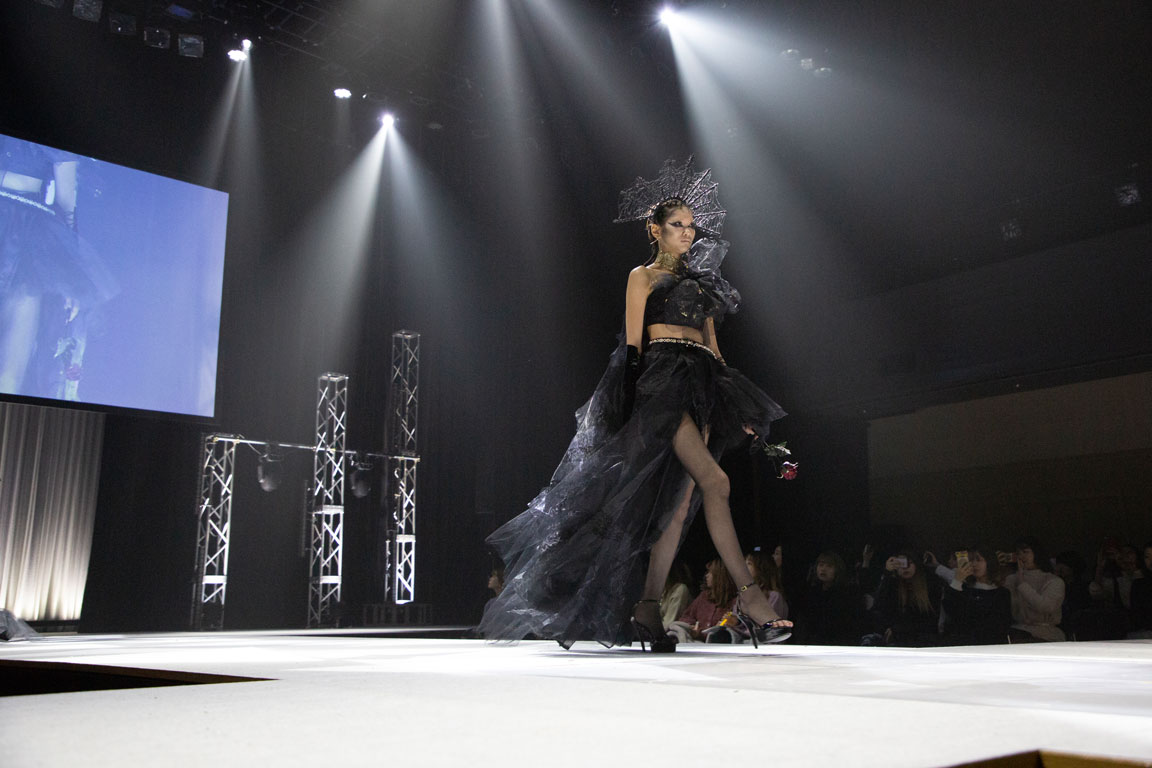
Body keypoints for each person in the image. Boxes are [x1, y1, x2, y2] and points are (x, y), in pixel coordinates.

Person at [479, 158, 791, 651]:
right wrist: (626, 405)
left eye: (691, 225)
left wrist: (742, 411)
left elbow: (716, 352)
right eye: (677, 224)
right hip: (661, 384)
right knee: (717, 481)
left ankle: (647, 609)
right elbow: (631, 346)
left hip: (703, 384)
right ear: (655, 229)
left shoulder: (704, 284)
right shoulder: (642, 276)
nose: (687, 233)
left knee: (680, 504)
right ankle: (751, 598)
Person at [1, 137, 114, 399]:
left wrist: (70, 280)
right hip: (24, 236)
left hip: (25, 236)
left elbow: (66, 203)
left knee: (11, 368)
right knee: (10, 368)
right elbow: (66, 204)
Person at [868, 551, 942, 647]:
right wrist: (887, 574)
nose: (905, 567)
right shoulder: (894, 585)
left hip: (923, 639)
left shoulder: (929, 584)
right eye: (901, 563)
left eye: (909, 563)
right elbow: (879, 606)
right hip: (897, 639)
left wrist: (901, 629)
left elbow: (931, 620)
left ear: (916, 564)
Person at [940, 548, 1012, 645]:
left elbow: (1002, 625)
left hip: (991, 645)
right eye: (971, 560)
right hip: (964, 644)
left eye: (978, 560)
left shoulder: (1002, 593)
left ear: (990, 562)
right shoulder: (964, 589)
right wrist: (957, 581)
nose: (974, 564)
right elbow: (951, 612)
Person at [999, 536, 1065, 642]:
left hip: (1046, 634)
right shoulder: (1011, 579)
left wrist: (1022, 584)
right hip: (1017, 632)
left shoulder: (1054, 580)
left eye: (1025, 552)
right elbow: (1005, 607)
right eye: (1018, 553)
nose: (1021, 557)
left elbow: (1046, 606)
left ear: (1036, 553)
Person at [792, 550, 862, 646]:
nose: (823, 569)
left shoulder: (846, 595)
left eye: (829, 566)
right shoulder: (812, 592)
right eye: (821, 565)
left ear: (837, 570)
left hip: (837, 642)